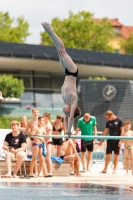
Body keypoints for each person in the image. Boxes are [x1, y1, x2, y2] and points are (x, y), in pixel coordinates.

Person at [41, 22, 81, 135]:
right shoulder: (73, 100)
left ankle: (50, 34)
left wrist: (66, 132)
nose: (65, 114)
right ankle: (51, 31)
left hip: (66, 72)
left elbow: (66, 119)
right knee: (63, 51)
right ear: (70, 112)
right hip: (73, 72)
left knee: (58, 51)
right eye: (67, 113)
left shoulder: (65, 101)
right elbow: (71, 118)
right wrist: (69, 131)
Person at [25, 107, 39, 176]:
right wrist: (31, 132)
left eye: (37, 112)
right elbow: (26, 131)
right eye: (34, 112)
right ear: (32, 113)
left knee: (40, 156)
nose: (36, 114)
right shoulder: (30, 121)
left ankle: (38, 172)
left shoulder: (40, 121)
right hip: (33, 139)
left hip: (40, 139)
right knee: (34, 156)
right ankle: (34, 171)